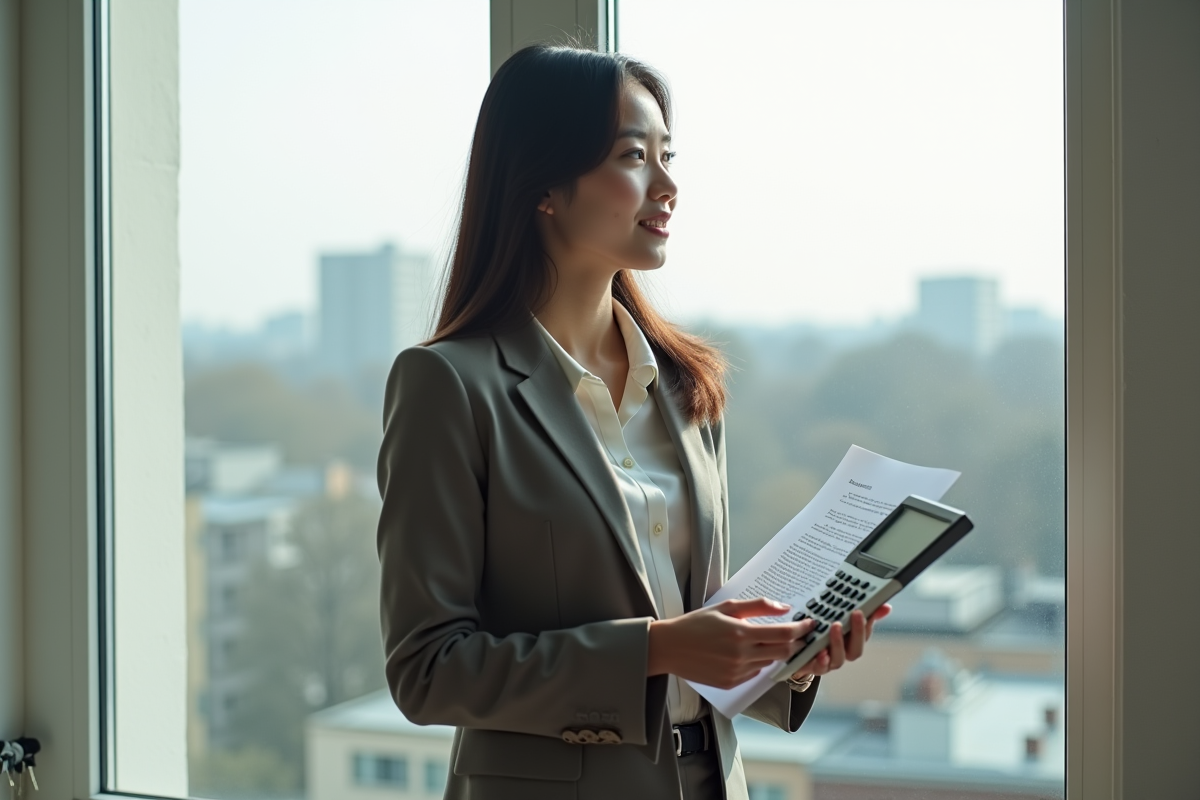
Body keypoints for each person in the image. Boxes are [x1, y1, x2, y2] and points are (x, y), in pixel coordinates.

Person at [376, 43, 890, 800]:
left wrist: (788, 652)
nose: (669, 185)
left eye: (668, 155)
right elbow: (428, 669)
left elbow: (701, 623)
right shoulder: (448, 386)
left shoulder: (686, 386)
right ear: (545, 184)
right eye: (634, 156)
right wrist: (657, 649)